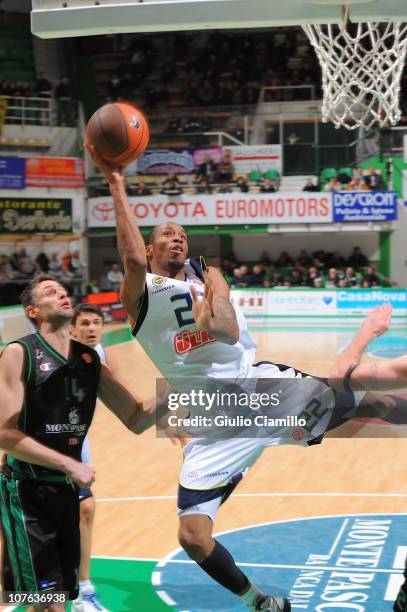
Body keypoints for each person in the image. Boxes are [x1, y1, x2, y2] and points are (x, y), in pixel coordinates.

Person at [86, 144, 406, 612]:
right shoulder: (143, 294)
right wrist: (115, 182)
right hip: (215, 422)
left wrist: (216, 283)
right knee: (193, 536)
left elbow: (224, 329)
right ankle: (260, 602)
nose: (177, 239)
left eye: (182, 236)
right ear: (150, 247)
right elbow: (131, 259)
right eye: (166, 235)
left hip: (261, 392)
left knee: (372, 404)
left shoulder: (208, 284)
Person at [0, 274, 155, 611]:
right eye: (50, 292)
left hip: (65, 493)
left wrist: (184, 382)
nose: (62, 294)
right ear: (33, 311)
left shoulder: (89, 361)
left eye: (63, 290)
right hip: (26, 491)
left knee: (49, 601)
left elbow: (136, 417)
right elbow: (4, 434)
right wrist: (68, 462)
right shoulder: (18, 353)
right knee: (50, 603)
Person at [70, 304, 110, 612]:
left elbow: (129, 408)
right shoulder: (52, 357)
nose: (92, 328)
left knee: (86, 508)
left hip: (76, 448)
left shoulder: (101, 357)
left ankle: (85, 591)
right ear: (72, 329)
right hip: (40, 451)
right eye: (85, 323)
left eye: (97, 322)